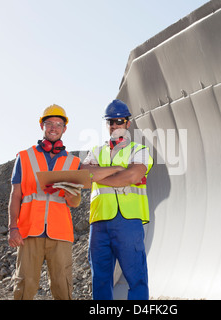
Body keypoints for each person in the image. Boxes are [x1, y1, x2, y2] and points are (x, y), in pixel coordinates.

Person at [8, 104, 122, 300]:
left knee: (63, 285)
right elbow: (15, 195)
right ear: (42, 126)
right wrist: (12, 227)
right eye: (49, 123)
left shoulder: (72, 163)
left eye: (58, 124)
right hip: (29, 231)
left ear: (64, 129)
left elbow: (76, 202)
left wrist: (71, 195)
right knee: (25, 285)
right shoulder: (25, 157)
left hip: (60, 233)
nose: (54, 127)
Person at [83, 99, 153, 300]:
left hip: (128, 220)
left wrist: (99, 176)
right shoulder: (96, 151)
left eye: (119, 121)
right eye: (111, 122)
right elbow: (84, 175)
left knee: (136, 276)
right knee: (100, 279)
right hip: (99, 222)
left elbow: (131, 177)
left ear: (128, 123)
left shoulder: (139, 151)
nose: (115, 126)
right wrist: (115, 170)